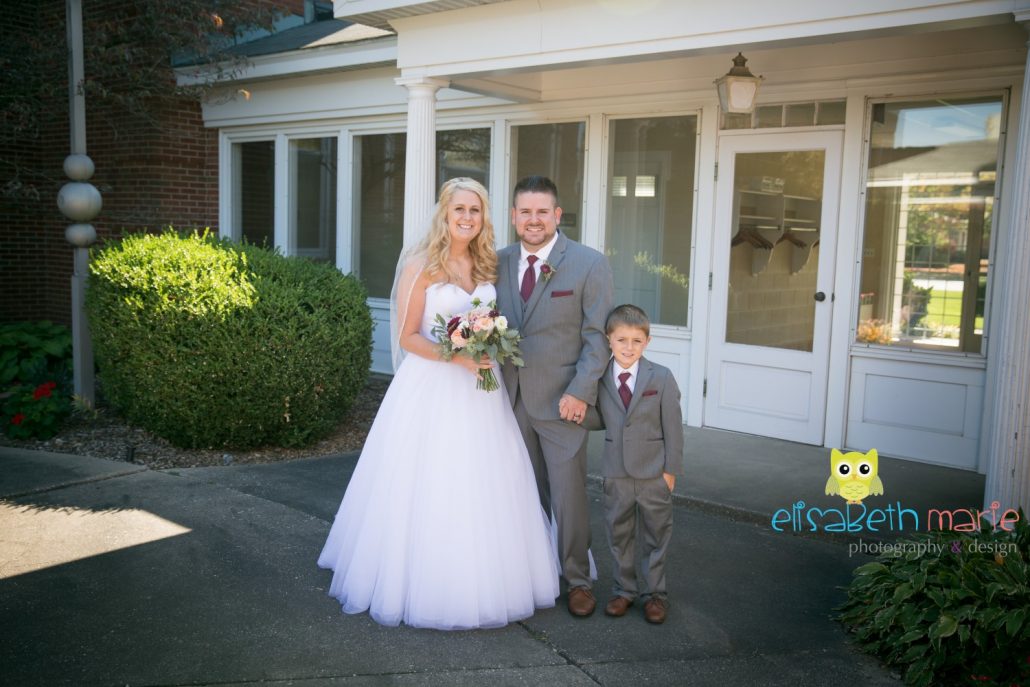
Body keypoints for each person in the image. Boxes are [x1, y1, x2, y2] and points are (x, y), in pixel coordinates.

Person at [317, 177, 559, 630]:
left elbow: (491, 319)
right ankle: (422, 581)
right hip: (432, 387)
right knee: (431, 478)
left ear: (484, 217)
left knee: (486, 480)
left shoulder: (486, 264)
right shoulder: (422, 264)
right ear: (444, 214)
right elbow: (408, 337)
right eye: (459, 209)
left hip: (481, 391)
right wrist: (458, 356)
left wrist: (485, 349)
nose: (467, 217)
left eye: (475, 210)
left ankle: (488, 578)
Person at [495, 175, 613, 617]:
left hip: (565, 402)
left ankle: (577, 579)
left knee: (568, 496)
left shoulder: (588, 263)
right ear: (513, 216)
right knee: (522, 493)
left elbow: (597, 338)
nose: (534, 220)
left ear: (557, 215)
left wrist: (581, 391)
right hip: (508, 401)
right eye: (525, 211)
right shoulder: (496, 262)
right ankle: (534, 573)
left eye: (542, 211)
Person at [583, 304, 684, 624]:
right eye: (622, 340)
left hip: (654, 472)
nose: (629, 347)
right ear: (608, 340)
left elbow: (674, 428)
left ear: (647, 341)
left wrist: (670, 471)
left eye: (637, 341)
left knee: (656, 535)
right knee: (619, 534)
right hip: (616, 471)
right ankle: (623, 590)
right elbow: (596, 417)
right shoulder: (599, 378)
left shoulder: (662, 377)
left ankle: (655, 594)